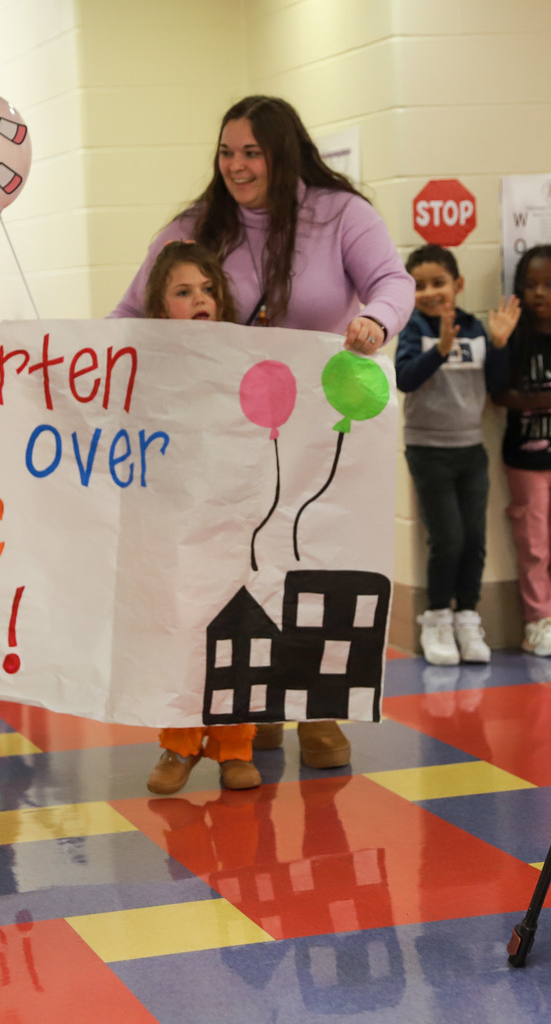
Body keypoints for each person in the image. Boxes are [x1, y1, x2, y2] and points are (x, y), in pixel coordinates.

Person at [111, 95, 415, 770]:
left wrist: (377, 322)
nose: (236, 166)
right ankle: (260, 704)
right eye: (226, 152)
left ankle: (319, 712)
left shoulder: (340, 215)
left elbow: (392, 281)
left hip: (317, 426)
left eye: (252, 152)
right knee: (242, 565)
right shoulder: (197, 226)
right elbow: (132, 311)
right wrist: (77, 363)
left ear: (284, 152)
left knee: (313, 554)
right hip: (224, 436)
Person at [140, 241, 258, 793]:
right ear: (162, 308)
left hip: (234, 520)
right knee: (182, 631)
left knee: (236, 628)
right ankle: (179, 743)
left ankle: (235, 743)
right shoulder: (152, 367)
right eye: (184, 292)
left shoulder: (244, 354)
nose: (200, 300)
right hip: (176, 524)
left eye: (208, 290)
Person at [396, 245, 520, 666]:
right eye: (418, 286)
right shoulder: (413, 328)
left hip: (470, 450)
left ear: (458, 285)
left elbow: (497, 385)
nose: (429, 292)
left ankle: (468, 615)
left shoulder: (475, 329)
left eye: (438, 283)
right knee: (446, 538)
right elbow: (405, 378)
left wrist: (500, 343)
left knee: (474, 539)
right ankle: (436, 619)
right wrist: (440, 349)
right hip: (428, 451)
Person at [492, 245, 551, 657]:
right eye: (531, 285)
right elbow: (499, 394)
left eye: (548, 285)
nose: (539, 293)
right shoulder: (517, 337)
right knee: (534, 545)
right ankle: (537, 622)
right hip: (527, 458)